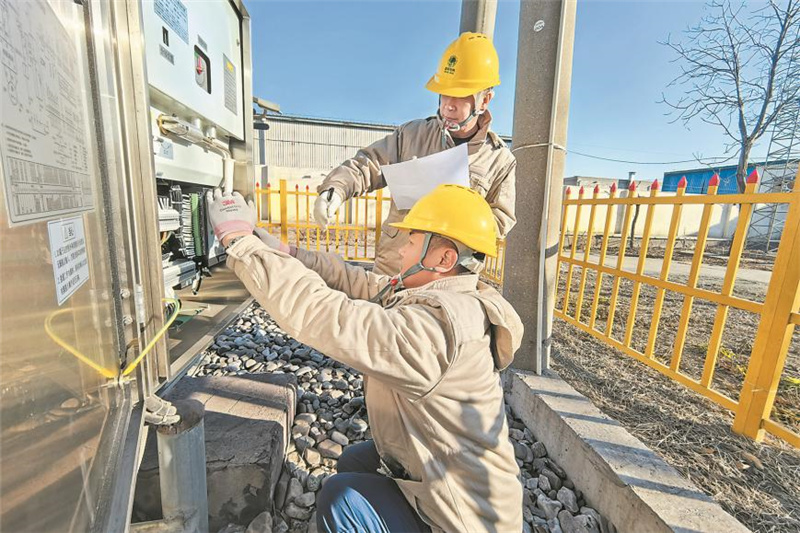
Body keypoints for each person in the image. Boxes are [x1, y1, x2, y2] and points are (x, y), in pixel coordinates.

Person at [206, 184, 523, 532]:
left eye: (412, 240)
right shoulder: (445, 295)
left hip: (463, 522)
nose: (401, 249)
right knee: (355, 460)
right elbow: (357, 282)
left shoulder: (436, 331)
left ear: (444, 259)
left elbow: (329, 316)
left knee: (341, 500)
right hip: (449, 479)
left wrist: (240, 243)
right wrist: (284, 251)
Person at [312, 32, 517, 275]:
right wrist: (336, 188)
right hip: (392, 270)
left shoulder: (499, 161)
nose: (448, 105)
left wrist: (459, 224)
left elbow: (500, 219)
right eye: (444, 93)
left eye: (461, 95)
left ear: (485, 100)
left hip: (446, 280)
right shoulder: (412, 135)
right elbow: (368, 164)